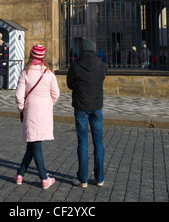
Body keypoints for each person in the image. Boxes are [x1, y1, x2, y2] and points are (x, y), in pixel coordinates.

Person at [14, 44, 60, 190]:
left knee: (35, 144)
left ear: (31, 55)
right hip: (44, 110)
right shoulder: (49, 73)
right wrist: (48, 104)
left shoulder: (25, 73)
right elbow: (56, 94)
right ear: (42, 57)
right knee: (33, 144)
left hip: (31, 109)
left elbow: (18, 95)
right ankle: (33, 176)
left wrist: (22, 108)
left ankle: (36, 177)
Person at [67, 38, 107, 189]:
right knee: (98, 142)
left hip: (81, 106)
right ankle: (99, 178)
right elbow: (102, 79)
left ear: (82, 50)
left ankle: (82, 179)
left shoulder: (76, 65)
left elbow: (70, 84)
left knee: (82, 142)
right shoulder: (102, 65)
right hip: (96, 107)